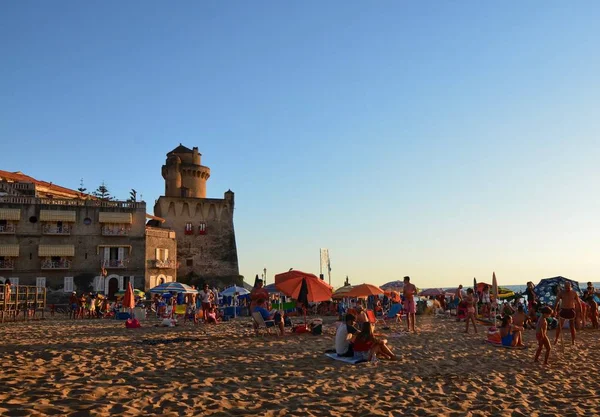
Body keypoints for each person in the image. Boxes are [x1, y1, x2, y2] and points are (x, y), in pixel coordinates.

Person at [553, 281, 581, 346]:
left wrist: (580, 310)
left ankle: (573, 340)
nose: (567, 288)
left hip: (571, 310)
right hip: (563, 310)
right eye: (566, 287)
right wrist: (554, 310)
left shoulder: (574, 293)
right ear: (564, 287)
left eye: (568, 287)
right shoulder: (561, 293)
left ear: (570, 286)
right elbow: (556, 302)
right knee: (559, 326)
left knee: (572, 326)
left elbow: (578, 302)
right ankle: (556, 339)